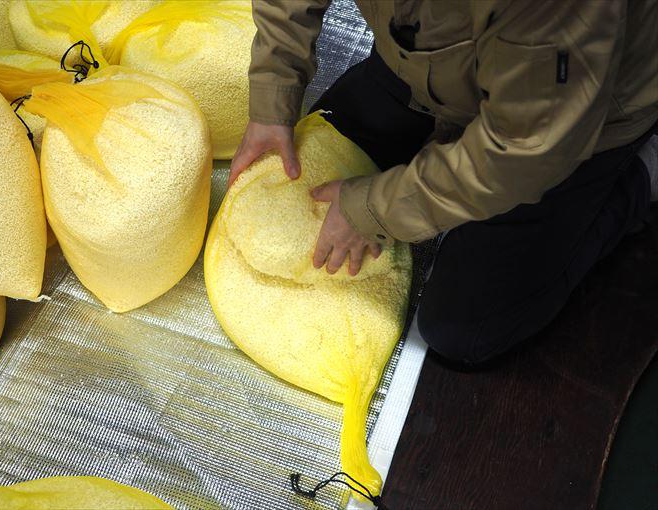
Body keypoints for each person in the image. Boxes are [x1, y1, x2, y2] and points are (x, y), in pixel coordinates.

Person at [228, 0, 658, 368]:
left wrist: (374, 211)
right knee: (321, 160)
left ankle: (638, 174)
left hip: (576, 121)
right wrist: (274, 90)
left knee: (464, 329)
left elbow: (524, 152)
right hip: (429, 57)